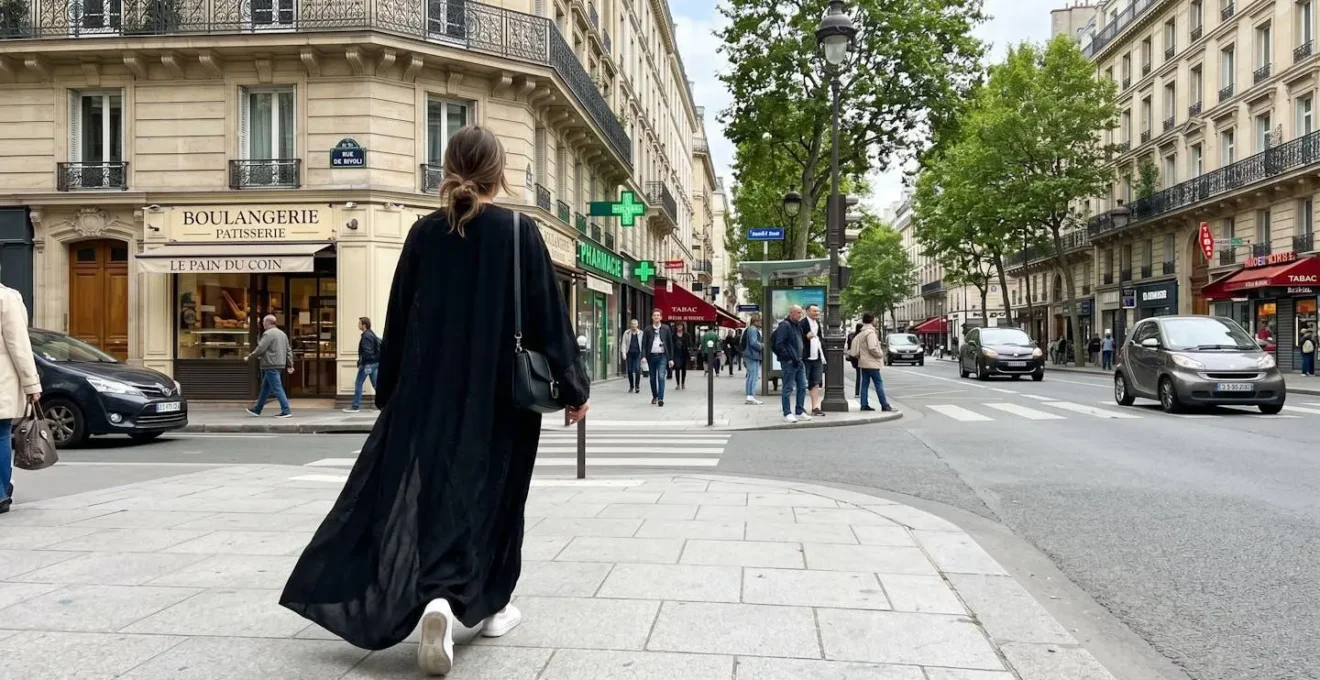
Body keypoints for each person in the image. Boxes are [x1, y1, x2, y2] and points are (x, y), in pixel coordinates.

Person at [280, 125, 590, 677]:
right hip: (502, 400)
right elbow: (549, 319)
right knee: (494, 496)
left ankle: (437, 597)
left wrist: (391, 391)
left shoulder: (424, 233)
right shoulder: (521, 232)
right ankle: (486, 606)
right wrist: (574, 389)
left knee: (432, 493)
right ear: (501, 172)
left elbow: (400, 319)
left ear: (448, 165)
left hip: (429, 394)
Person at [0, 283, 41, 515]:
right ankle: (1, 494)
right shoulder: (6, 298)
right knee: (1, 434)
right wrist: (32, 384)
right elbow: (19, 345)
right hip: (2, 380)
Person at [245, 314, 294, 419]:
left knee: (277, 388)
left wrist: (250, 356)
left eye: (263, 322)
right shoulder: (282, 334)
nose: (262, 324)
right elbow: (288, 350)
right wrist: (290, 364)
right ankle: (257, 409)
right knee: (265, 388)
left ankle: (286, 410)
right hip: (279, 364)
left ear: (267, 322)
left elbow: (260, 348)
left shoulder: (268, 334)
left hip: (270, 364)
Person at [848, 313, 895, 413]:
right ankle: (884, 405)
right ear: (872, 320)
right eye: (875, 319)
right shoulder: (870, 332)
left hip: (863, 361)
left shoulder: (862, 332)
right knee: (878, 383)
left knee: (864, 383)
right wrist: (880, 354)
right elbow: (872, 347)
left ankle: (864, 404)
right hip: (872, 362)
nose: (876, 320)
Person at [773, 306, 811, 423]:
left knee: (802, 386)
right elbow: (779, 344)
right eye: (798, 313)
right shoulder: (785, 325)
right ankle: (787, 413)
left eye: (801, 313)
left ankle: (799, 411)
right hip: (790, 362)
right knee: (788, 388)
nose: (800, 315)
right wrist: (788, 358)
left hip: (798, 361)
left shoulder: (797, 325)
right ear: (791, 313)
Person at [344, 317, 381, 413]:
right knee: (376, 385)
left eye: (359, 323)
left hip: (368, 364)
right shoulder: (371, 333)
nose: (358, 325)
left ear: (364, 325)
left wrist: (362, 364)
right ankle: (383, 406)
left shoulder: (366, 336)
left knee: (358, 383)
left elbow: (367, 352)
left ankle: (355, 406)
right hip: (374, 363)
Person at [641, 309, 676, 406]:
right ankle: (655, 396)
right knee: (652, 378)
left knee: (661, 376)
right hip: (651, 356)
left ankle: (660, 398)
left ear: (661, 317)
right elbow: (644, 344)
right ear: (652, 317)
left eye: (658, 315)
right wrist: (643, 356)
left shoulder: (666, 328)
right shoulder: (647, 329)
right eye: (654, 315)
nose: (656, 317)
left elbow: (670, 344)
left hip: (662, 356)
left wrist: (671, 358)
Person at [801, 304, 826, 416]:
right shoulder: (802, 323)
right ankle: (800, 407)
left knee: (815, 383)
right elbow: (798, 338)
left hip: (817, 357)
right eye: (814, 311)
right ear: (807, 312)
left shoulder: (817, 324)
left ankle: (815, 407)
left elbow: (819, 338)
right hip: (806, 357)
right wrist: (805, 337)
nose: (817, 313)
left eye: (818, 311)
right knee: (802, 382)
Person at [743, 313, 764, 405]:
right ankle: (751, 396)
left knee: (750, 376)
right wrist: (761, 346)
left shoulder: (750, 329)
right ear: (756, 321)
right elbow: (753, 342)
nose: (761, 323)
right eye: (760, 321)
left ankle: (749, 395)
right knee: (753, 376)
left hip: (749, 354)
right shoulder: (753, 329)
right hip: (752, 355)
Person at [620, 319, 643, 393]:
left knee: (637, 369)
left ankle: (637, 386)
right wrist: (623, 353)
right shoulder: (626, 333)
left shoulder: (641, 333)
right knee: (629, 370)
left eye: (635, 324)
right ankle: (631, 386)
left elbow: (643, 344)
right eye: (632, 324)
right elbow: (623, 343)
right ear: (630, 325)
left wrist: (644, 355)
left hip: (638, 354)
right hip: (629, 354)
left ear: (637, 325)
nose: (633, 325)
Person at [672, 322, 693, 389]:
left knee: (683, 368)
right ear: (676, 326)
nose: (679, 327)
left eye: (681, 325)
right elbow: (671, 344)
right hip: (676, 354)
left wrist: (691, 354)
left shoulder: (687, 335)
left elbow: (690, 344)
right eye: (678, 325)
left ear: (683, 327)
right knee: (677, 367)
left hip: (684, 354)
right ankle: (678, 384)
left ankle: (683, 383)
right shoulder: (673, 335)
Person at [846, 323, 863, 397]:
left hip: (854, 358)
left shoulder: (851, 336)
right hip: (860, 357)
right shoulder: (861, 336)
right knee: (863, 376)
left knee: (858, 375)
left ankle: (857, 392)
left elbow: (849, 347)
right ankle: (860, 392)